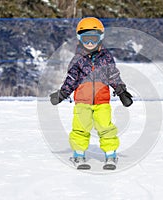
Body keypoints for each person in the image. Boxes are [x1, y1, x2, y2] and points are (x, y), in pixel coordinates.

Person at [49, 17, 133, 170]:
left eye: (93, 38)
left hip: (102, 102)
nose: (89, 42)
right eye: (85, 38)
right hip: (82, 102)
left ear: (100, 37)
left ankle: (110, 154)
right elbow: (72, 79)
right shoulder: (77, 59)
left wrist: (121, 91)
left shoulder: (106, 57)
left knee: (105, 127)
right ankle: (79, 154)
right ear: (79, 39)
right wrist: (61, 94)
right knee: (80, 128)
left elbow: (113, 75)